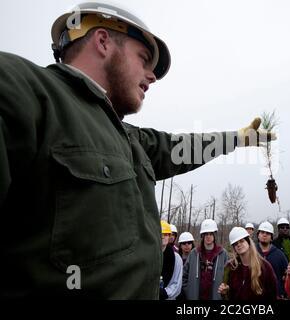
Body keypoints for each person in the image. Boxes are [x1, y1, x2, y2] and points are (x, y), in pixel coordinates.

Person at [0, 2, 275, 298]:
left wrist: (238, 138)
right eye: (144, 59)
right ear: (103, 41)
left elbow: (181, 147)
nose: (152, 75)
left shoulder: (131, 139)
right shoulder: (22, 88)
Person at [218, 227, 277, 300]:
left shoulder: (264, 266)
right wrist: (225, 292)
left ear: (248, 242)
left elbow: (273, 294)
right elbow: (228, 297)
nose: (238, 245)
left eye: (242, 241)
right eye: (235, 243)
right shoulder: (231, 267)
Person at [182, 219, 228, 300]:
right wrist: (189, 291)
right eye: (205, 234)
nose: (208, 236)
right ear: (202, 236)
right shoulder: (194, 253)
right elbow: (184, 276)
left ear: (214, 235)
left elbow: (228, 278)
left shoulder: (222, 254)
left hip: (215, 297)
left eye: (211, 234)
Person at [255, 221, 289, 299]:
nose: (264, 235)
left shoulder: (280, 255)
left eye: (267, 233)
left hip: (275, 295)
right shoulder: (252, 253)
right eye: (262, 232)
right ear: (258, 235)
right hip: (255, 295)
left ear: (271, 237)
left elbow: (286, 276)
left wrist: (282, 293)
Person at [159, 220, 182, 300]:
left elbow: (177, 283)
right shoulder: (149, 255)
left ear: (169, 236)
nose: (163, 236)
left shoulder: (176, 258)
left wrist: (164, 292)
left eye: (166, 234)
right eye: (161, 234)